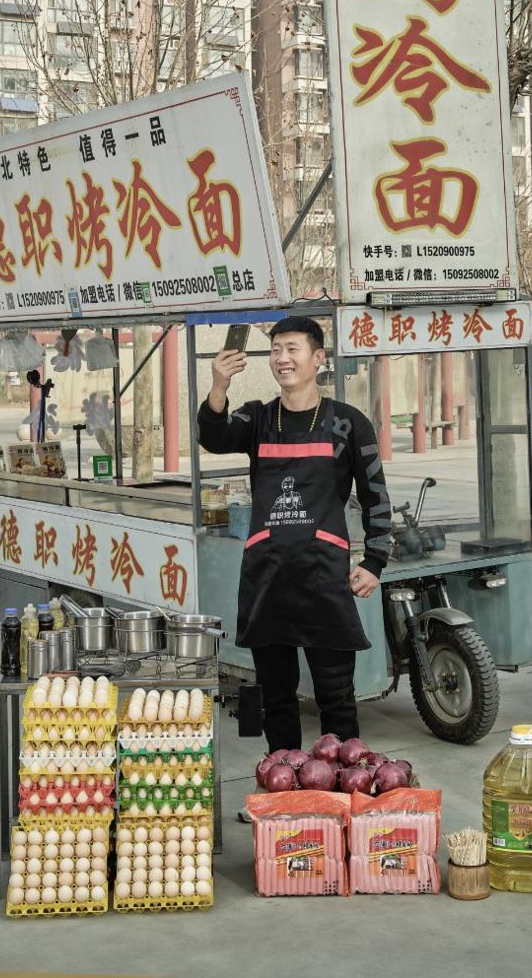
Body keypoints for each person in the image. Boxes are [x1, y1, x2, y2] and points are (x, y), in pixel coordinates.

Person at [197, 316, 392, 750]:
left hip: (325, 580)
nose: (282, 359)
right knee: (274, 698)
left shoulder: (348, 423)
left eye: (292, 349)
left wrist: (375, 560)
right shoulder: (259, 419)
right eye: (276, 350)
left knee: (336, 699)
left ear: (318, 358)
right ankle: (279, 787)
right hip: (267, 580)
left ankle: (343, 793)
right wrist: (218, 386)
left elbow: (375, 493)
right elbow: (212, 437)